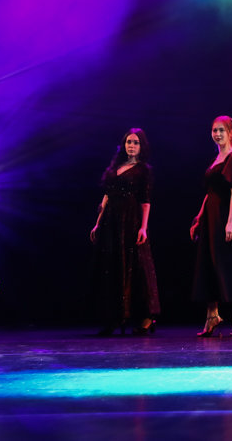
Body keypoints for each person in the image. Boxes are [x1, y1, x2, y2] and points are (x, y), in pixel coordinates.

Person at [190, 116, 232, 337]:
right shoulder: (216, 159)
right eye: (214, 130)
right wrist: (199, 217)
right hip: (210, 217)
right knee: (209, 263)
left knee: (227, 262)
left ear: (231, 132)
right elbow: (210, 193)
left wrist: (230, 221)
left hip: (224, 216)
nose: (217, 134)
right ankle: (212, 314)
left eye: (221, 130)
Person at [90, 128, 160, 335]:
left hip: (130, 221)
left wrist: (143, 227)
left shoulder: (143, 170)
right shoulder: (115, 168)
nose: (131, 145)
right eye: (129, 142)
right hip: (111, 221)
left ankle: (146, 318)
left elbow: (145, 201)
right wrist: (98, 223)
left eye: (136, 142)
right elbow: (106, 197)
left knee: (134, 267)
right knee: (112, 267)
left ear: (141, 146)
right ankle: (114, 317)